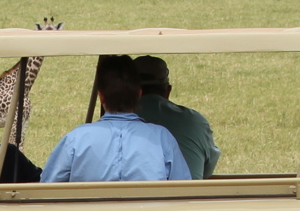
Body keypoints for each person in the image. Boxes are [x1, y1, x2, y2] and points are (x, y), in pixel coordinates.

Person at [38, 56, 190, 183]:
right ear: (139, 94)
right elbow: (184, 192)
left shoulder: (75, 139)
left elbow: (46, 188)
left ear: (101, 96)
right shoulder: (162, 138)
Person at [133, 55, 219, 179]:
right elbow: (206, 170)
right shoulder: (195, 121)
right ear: (168, 91)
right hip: (188, 197)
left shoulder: (116, 126)